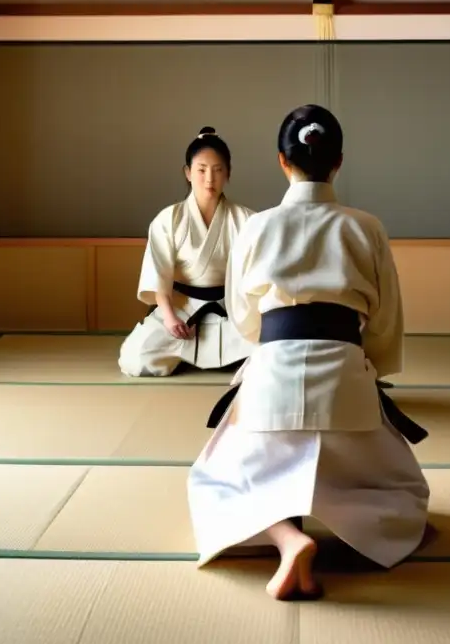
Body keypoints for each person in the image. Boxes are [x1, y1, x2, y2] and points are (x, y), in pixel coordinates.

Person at [187, 104, 430, 602]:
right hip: (346, 383)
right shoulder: (366, 226)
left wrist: (270, 348)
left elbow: (244, 317)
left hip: (271, 381)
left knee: (215, 482)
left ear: (282, 160)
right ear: (338, 161)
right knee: (400, 495)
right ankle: (332, 524)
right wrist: (371, 370)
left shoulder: (256, 227)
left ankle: (285, 534)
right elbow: (384, 323)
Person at [118, 129, 255, 378]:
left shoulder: (246, 219)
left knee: (271, 346)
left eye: (217, 169)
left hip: (230, 307)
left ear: (228, 173)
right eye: (201, 170)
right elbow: (159, 276)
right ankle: (201, 351)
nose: (209, 179)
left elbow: (254, 277)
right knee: (137, 357)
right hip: (182, 307)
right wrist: (169, 318)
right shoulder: (168, 219)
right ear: (188, 173)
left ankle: (192, 354)